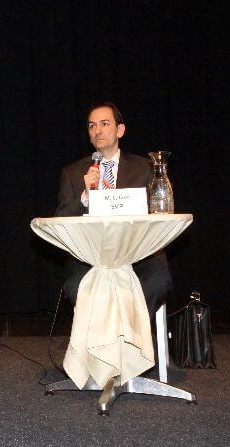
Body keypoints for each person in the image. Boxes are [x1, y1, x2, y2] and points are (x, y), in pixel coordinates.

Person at [56, 102, 171, 322]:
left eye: (104, 124)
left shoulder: (145, 168)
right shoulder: (73, 173)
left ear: (120, 130)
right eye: (92, 126)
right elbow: (62, 220)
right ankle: (103, 339)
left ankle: (130, 335)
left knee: (157, 281)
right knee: (75, 286)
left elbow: (158, 213)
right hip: (90, 254)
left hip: (138, 250)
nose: (97, 130)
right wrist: (85, 196)